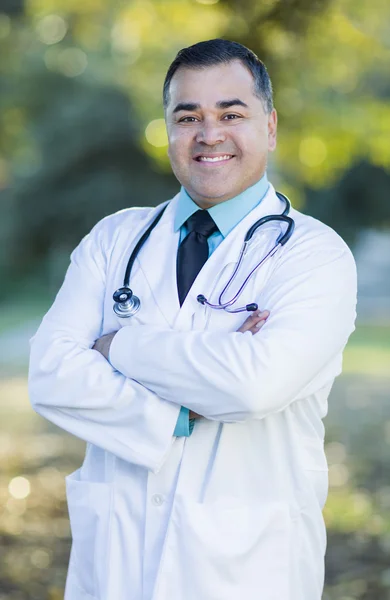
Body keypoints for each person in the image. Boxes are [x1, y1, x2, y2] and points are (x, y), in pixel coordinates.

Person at [28, 38, 357, 600]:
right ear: (169, 130)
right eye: (188, 117)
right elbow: (51, 374)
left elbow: (253, 386)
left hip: (245, 571)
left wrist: (116, 348)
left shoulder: (314, 254)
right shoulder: (114, 240)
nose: (210, 134)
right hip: (117, 565)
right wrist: (179, 412)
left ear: (270, 126)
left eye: (232, 113)